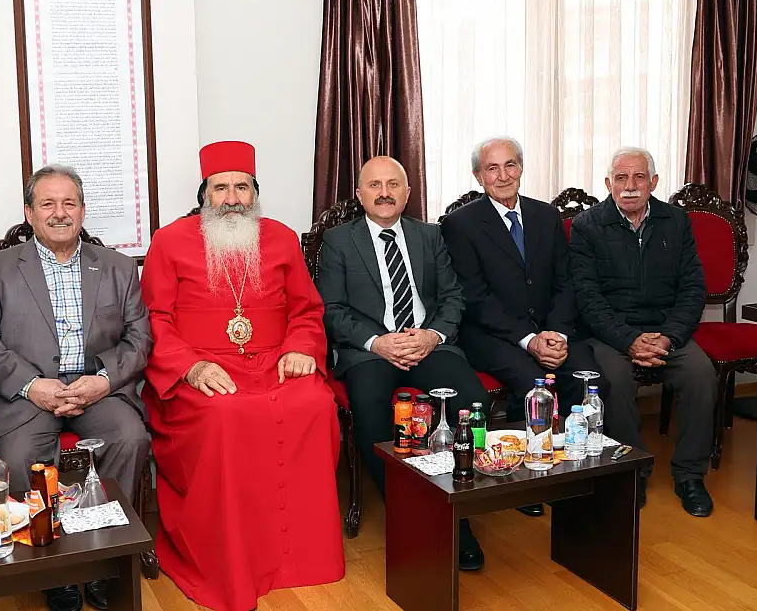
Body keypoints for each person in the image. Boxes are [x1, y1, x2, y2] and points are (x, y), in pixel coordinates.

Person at [141, 141, 344, 611]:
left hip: (275, 361)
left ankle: (303, 558)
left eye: (242, 187)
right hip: (203, 368)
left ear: (255, 193)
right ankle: (230, 560)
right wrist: (190, 367)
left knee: (315, 404)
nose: (232, 198)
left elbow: (306, 309)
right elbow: (154, 319)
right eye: (221, 188)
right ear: (204, 194)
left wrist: (299, 348)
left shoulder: (281, 238)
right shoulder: (169, 241)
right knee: (225, 415)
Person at [0, 164, 152, 611]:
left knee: (130, 438)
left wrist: (103, 381)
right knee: (17, 457)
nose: (60, 213)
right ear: (29, 212)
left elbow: (139, 338)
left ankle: (103, 559)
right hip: (27, 393)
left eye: (69, 203)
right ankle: (54, 570)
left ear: (83, 211)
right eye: (47, 203)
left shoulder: (117, 267)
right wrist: (31, 385)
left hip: (97, 388)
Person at [315, 156, 489, 571]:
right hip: (369, 351)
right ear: (360, 194)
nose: (384, 193)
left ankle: (457, 511)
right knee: (372, 412)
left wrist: (432, 335)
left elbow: (452, 297)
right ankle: (412, 511)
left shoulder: (429, 235)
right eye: (375, 185)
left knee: (471, 404)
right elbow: (331, 309)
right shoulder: (339, 241)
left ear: (407, 193)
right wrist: (377, 342)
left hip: (428, 344)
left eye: (393, 184)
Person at [439, 137, 602, 517]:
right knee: (532, 385)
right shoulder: (460, 224)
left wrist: (556, 333)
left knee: (589, 379)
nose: (503, 175)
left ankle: (577, 471)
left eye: (510, 165)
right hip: (491, 334)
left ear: (521, 168)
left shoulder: (546, 216)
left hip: (550, 330)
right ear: (478, 176)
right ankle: (524, 479)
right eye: (492, 168)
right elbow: (475, 297)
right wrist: (529, 340)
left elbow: (566, 282)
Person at [568, 146, 717, 516]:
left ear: (654, 182)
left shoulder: (676, 221)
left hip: (666, 330)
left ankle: (690, 476)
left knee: (701, 375)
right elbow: (587, 299)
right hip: (610, 332)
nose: (630, 186)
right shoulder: (587, 226)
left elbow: (693, 289)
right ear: (608, 184)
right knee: (613, 380)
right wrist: (629, 340)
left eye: (639, 177)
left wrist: (668, 337)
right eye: (621, 178)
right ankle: (633, 472)